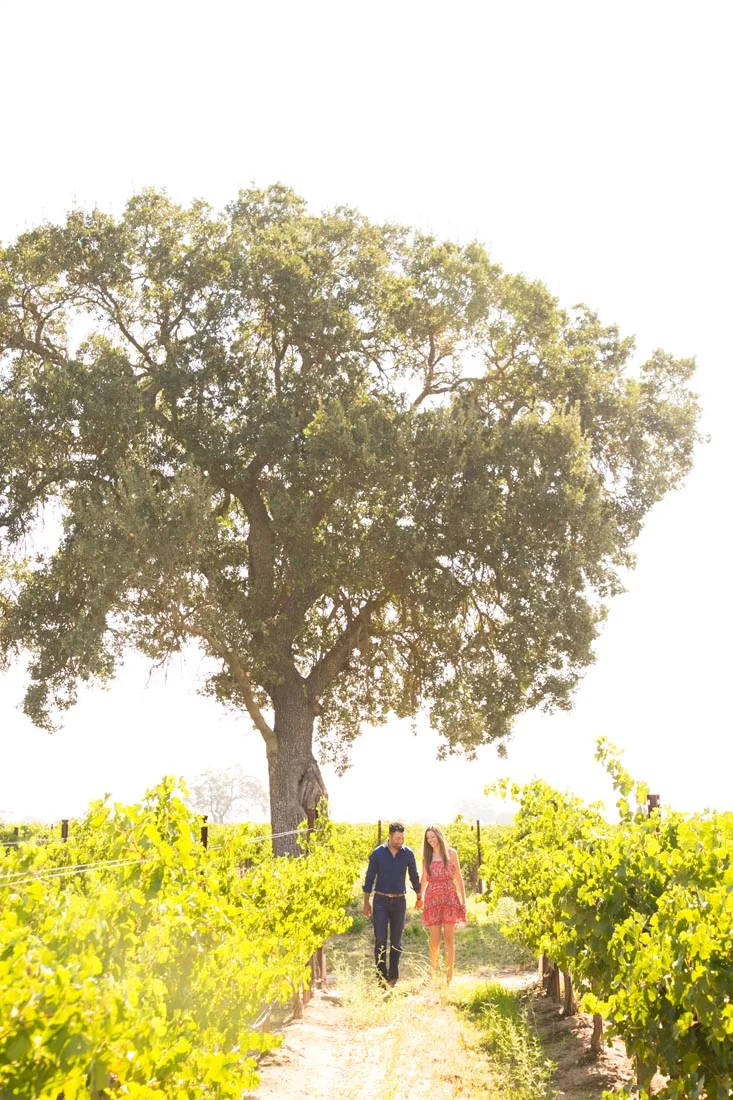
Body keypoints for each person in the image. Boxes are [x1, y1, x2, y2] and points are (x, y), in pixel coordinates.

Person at [363, 822, 421, 987]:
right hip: (380, 901)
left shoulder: (408, 854)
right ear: (389, 836)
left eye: (402, 838)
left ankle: (393, 975)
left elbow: (414, 876)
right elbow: (369, 879)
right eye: (397, 838)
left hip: (399, 902)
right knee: (380, 939)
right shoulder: (378, 854)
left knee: (396, 941)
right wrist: (366, 903)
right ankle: (381, 976)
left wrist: (418, 895)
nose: (400, 841)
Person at [418, 824, 466, 986]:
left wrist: (463, 901)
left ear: (439, 835)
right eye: (428, 838)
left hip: (449, 898)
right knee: (435, 941)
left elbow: (458, 878)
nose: (431, 840)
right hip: (433, 900)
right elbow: (424, 878)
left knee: (449, 940)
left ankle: (449, 978)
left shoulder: (452, 854)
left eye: (433, 836)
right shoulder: (427, 856)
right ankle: (431, 975)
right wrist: (420, 896)